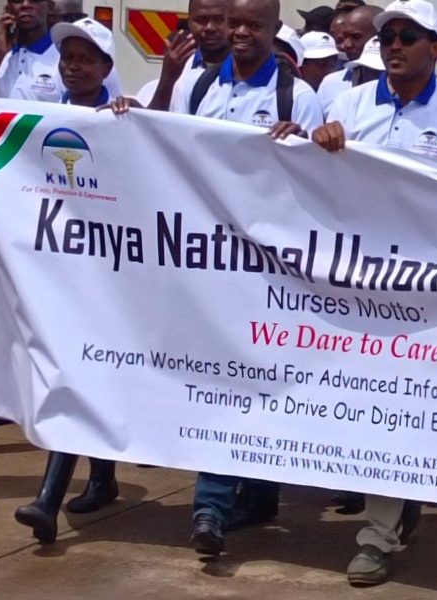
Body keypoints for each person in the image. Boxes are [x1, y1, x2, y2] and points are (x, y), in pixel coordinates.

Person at [309, 0, 437, 583]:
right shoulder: (348, 104)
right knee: (357, 401)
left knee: (396, 404)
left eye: (409, 36)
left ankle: (377, 534)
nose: (395, 45)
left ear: (435, 49)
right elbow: (308, 176)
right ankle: (399, 498)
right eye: (388, 36)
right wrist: (312, 140)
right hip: (347, 277)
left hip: (420, 289)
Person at [163, 0, 324, 556]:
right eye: (235, 23)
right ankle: (220, 503)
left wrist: (302, 145)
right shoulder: (198, 85)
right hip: (207, 258)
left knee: (255, 379)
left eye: (254, 25)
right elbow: (167, 152)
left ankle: (243, 496)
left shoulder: (297, 95)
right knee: (223, 378)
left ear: (275, 30)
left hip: (267, 265)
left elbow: (319, 178)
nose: (239, 33)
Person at [1, 17, 132, 541]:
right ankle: (102, 479)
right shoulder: (39, 118)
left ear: (105, 67)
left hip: (107, 273)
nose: (74, 68)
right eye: (67, 59)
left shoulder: (123, 121)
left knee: (76, 375)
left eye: (85, 59)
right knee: (77, 373)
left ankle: (47, 500)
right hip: (54, 268)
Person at [134, 0, 229, 107]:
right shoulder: (177, 68)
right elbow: (154, 116)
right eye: (201, 20)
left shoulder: (242, 72)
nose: (210, 27)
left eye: (219, 20)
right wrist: (167, 80)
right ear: (189, 23)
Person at [316, 4, 382, 111]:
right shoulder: (330, 83)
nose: (346, 44)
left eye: (356, 37)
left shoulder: (401, 87)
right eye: (344, 37)